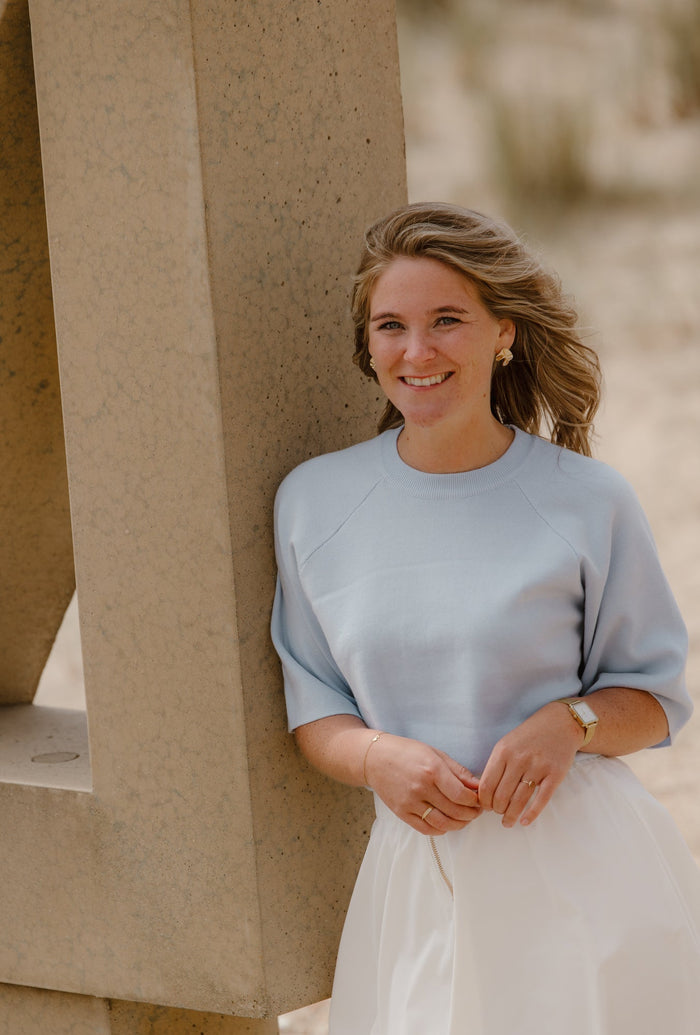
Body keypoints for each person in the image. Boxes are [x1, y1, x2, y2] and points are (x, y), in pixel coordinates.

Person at [271, 202, 700, 1034]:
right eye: (391, 325)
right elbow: (314, 707)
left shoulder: (587, 499)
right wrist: (377, 757)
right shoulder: (313, 503)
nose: (417, 351)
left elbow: (655, 700)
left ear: (503, 331)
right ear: (368, 344)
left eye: (447, 320)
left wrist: (567, 724)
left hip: (586, 881)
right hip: (415, 881)